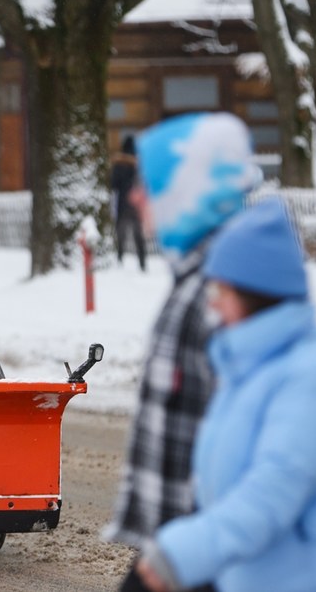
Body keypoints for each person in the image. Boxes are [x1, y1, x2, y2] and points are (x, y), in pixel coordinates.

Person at [132, 198, 316, 592]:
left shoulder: (315, 371)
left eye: (221, 289)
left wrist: (183, 553)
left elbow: (272, 492)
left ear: (254, 294)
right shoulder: (247, 366)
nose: (211, 301)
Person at [103, 112, 259, 592]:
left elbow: (262, 449)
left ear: (188, 193)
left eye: (150, 185)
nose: (135, 197)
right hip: (180, 546)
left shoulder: (222, 295)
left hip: (206, 553)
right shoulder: (197, 282)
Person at [111, 134, 147, 271]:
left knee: (121, 235)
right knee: (139, 236)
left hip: (122, 204)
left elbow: (113, 185)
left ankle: (119, 261)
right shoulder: (139, 164)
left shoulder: (118, 164)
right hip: (136, 205)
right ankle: (142, 263)